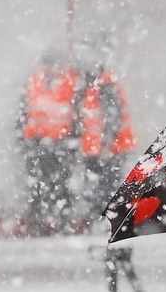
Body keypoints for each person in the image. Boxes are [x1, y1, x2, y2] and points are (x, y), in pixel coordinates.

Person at [16, 51, 78, 236]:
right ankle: (38, 225)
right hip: (37, 145)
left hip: (61, 146)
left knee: (62, 187)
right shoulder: (34, 83)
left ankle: (62, 224)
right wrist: (24, 140)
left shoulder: (70, 84)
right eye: (48, 66)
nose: (51, 70)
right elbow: (23, 112)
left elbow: (77, 115)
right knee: (37, 187)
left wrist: (72, 143)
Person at [76, 59, 136, 228]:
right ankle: (105, 222)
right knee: (101, 188)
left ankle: (108, 223)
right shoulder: (95, 87)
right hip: (99, 150)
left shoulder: (105, 86)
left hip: (110, 150)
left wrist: (106, 145)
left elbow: (112, 118)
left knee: (105, 188)